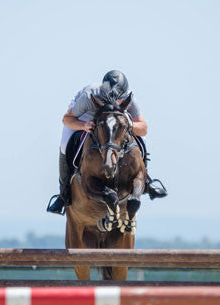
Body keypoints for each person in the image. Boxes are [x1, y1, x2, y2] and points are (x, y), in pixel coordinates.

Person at [47, 70, 167, 215]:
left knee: (140, 138)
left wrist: (130, 125)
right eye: (115, 99)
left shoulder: (129, 99)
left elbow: (143, 128)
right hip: (85, 115)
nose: (117, 102)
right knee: (65, 145)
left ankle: (147, 180)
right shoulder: (88, 96)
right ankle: (64, 192)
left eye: (120, 100)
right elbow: (67, 119)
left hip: (117, 118)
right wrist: (83, 126)